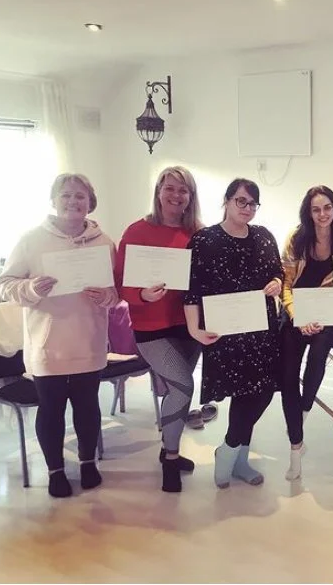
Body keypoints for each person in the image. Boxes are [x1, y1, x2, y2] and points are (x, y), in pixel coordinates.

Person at [0, 173, 117, 498]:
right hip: (47, 345)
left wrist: (108, 296)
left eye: (80, 196)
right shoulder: (31, 240)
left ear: (90, 202)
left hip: (89, 340)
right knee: (51, 409)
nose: (73, 202)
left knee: (88, 407)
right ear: (53, 200)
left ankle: (88, 463)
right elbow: (5, 283)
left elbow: (117, 290)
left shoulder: (104, 242)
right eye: (65, 195)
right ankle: (55, 471)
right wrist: (30, 288)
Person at [183, 178, 283, 489]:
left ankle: (230, 450)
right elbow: (190, 289)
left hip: (261, 330)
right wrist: (193, 329)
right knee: (242, 394)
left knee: (261, 392)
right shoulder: (203, 240)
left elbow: (278, 271)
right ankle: (235, 455)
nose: (247, 208)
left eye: (253, 203)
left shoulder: (264, 237)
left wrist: (278, 283)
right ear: (226, 201)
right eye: (241, 201)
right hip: (225, 331)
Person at [115, 165, 204, 493]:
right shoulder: (137, 231)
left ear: (190, 197)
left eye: (183, 190)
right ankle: (170, 456)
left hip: (187, 326)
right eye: (169, 188)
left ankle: (170, 447)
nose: (176, 195)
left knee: (176, 391)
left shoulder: (198, 233)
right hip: (151, 327)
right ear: (158, 191)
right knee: (182, 387)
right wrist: (141, 295)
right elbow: (121, 282)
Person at [279, 185, 333, 480]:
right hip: (296, 312)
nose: (323, 214)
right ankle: (295, 444)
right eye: (316, 209)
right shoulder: (296, 239)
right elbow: (285, 284)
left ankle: (299, 416)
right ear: (308, 212)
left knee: (319, 352)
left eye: (327, 208)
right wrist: (296, 315)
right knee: (287, 374)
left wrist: (327, 314)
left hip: (330, 315)